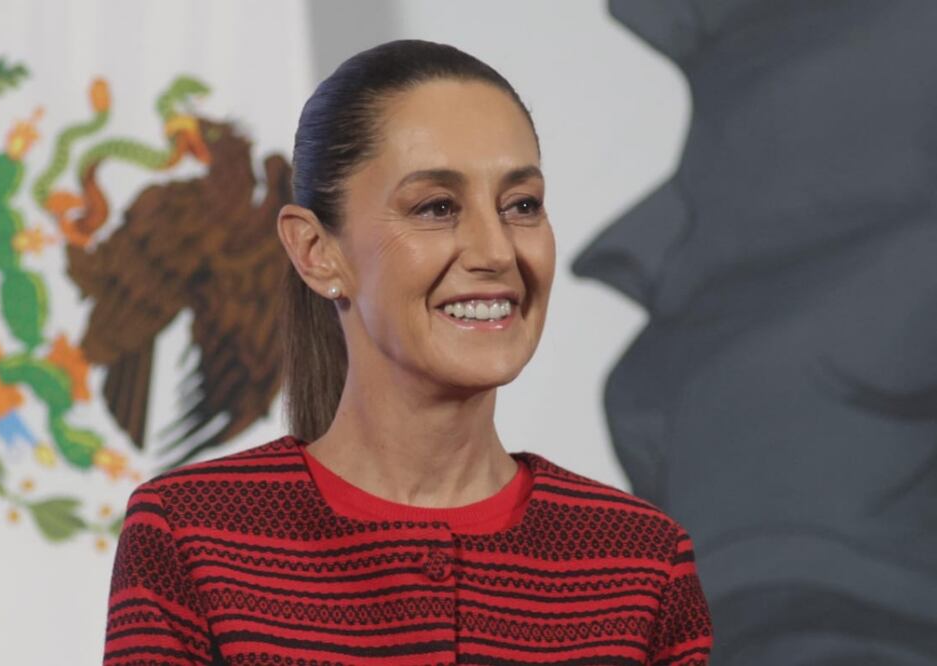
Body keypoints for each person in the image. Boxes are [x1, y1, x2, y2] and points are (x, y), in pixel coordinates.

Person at [102, 39, 713, 665]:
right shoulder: (191, 535)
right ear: (316, 251)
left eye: (521, 205)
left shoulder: (642, 562)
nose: (496, 251)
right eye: (437, 207)